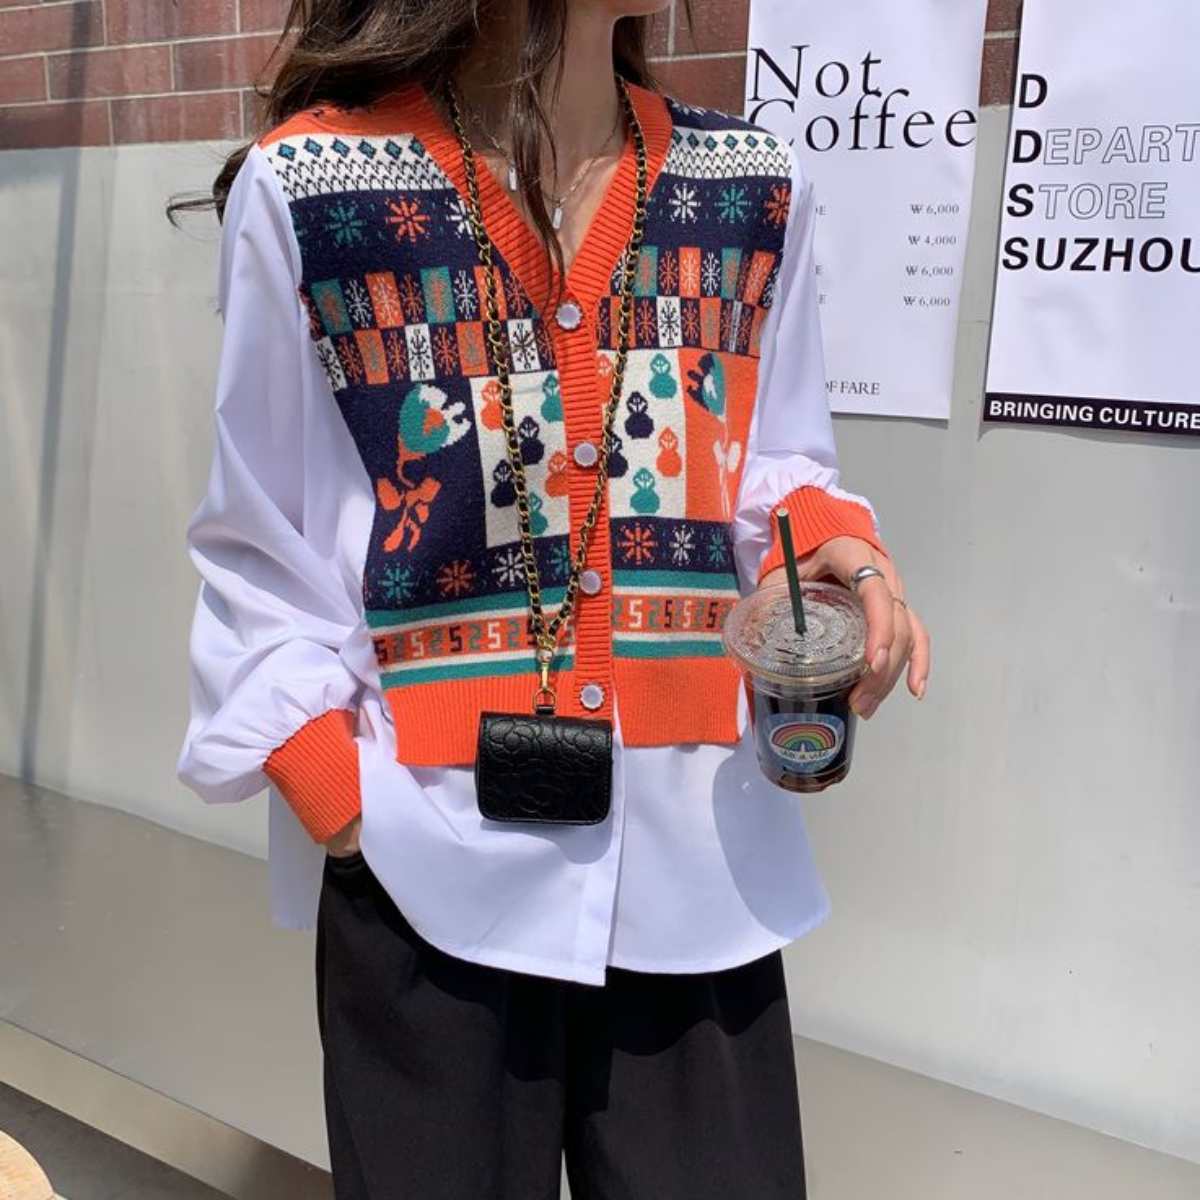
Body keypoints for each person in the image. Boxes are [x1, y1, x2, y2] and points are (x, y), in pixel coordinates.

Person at [172, 0, 930, 1194]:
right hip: (427, 866)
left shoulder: (749, 185)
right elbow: (258, 540)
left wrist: (835, 547)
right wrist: (342, 800)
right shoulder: (314, 188)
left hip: (697, 865)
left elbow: (769, 461)